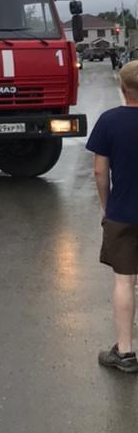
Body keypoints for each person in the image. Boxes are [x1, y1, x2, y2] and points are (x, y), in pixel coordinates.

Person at [86, 59, 138, 374]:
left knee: (125, 280)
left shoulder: (109, 121)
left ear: (123, 88)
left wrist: (106, 206)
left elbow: (99, 170)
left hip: (123, 213)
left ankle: (126, 352)